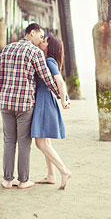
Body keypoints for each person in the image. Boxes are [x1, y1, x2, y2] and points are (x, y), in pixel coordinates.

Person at [0, 23, 68, 190]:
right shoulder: (34, 52)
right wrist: (60, 96)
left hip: (6, 102)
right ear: (32, 33)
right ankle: (23, 180)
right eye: (40, 36)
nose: (41, 40)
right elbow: (47, 77)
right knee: (24, 143)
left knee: (8, 141)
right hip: (24, 103)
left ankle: (7, 180)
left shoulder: (7, 48)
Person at [31, 34, 72, 190]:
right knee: (46, 141)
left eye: (45, 41)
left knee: (40, 143)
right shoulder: (48, 60)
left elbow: (59, 81)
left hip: (44, 100)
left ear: (50, 46)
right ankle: (51, 175)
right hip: (45, 99)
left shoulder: (48, 61)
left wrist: (64, 100)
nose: (41, 42)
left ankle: (64, 170)